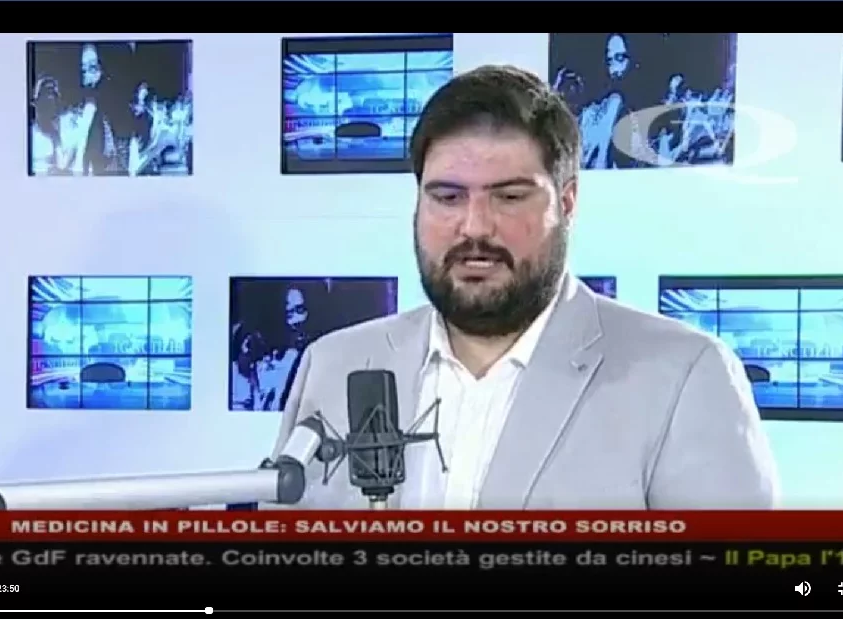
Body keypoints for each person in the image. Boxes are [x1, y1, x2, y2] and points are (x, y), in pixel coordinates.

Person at [271, 65, 779, 510]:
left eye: (509, 197)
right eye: (447, 197)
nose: (474, 227)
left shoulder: (685, 375)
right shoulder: (333, 365)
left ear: (568, 203)